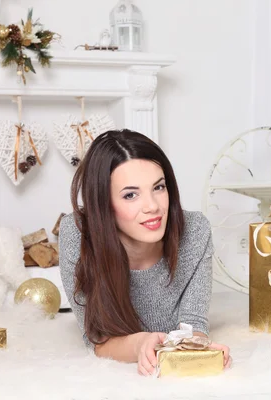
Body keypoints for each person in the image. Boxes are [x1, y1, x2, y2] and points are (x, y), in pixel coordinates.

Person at [58, 129, 231, 376]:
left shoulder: (195, 231)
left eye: (159, 187)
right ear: (103, 203)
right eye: (130, 195)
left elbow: (193, 324)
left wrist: (198, 352)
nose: (152, 206)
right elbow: (97, 339)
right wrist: (140, 344)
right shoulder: (78, 234)